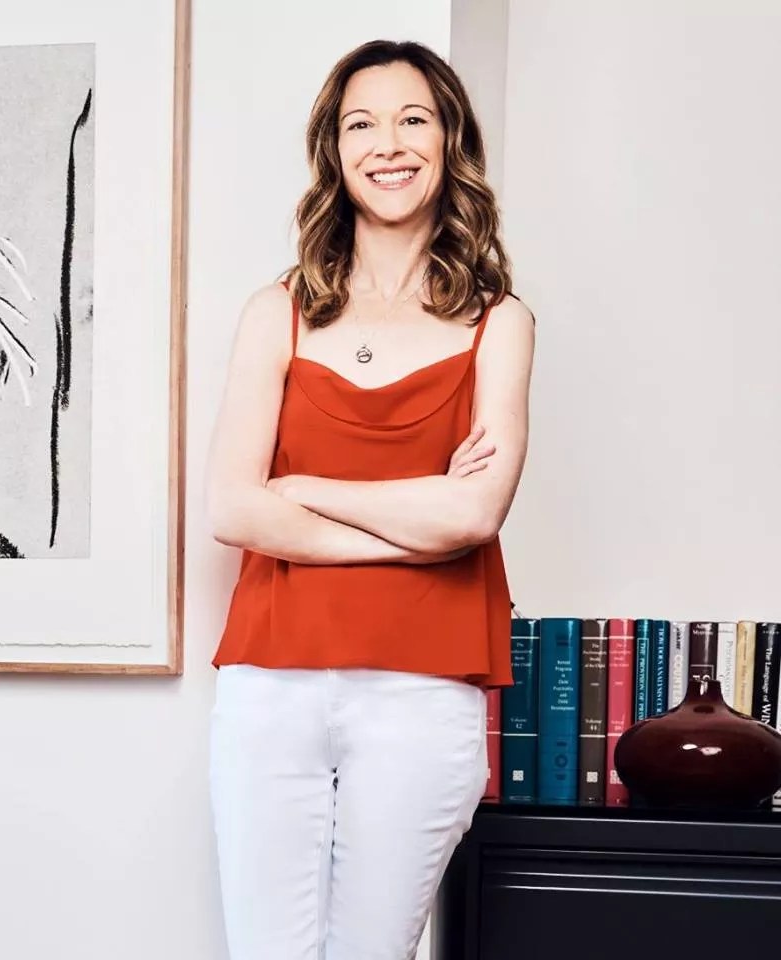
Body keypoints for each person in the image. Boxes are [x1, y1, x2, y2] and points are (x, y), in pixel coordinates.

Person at [205, 38, 535, 960]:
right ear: (335, 150)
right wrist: (413, 530)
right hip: (270, 684)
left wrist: (307, 490)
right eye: (362, 124)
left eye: (412, 119)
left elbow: (473, 516)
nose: (387, 144)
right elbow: (233, 509)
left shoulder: (501, 323)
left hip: (422, 690)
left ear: (449, 139)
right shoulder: (275, 311)